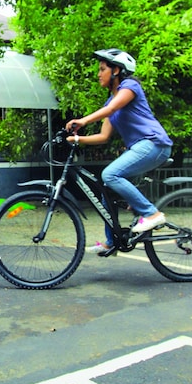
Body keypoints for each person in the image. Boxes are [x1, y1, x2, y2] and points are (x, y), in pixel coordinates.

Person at [65, 48, 173, 256]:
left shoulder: (130, 87)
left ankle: (152, 214)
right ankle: (111, 242)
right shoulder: (110, 102)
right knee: (107, 187)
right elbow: (103, 136)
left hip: (154, 144)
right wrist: (76, 139)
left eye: (102, 69)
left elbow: (113, 109)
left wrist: (83, 121)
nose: (99, 74)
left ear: (116, 70)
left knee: (110, 174)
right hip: (141, 148)